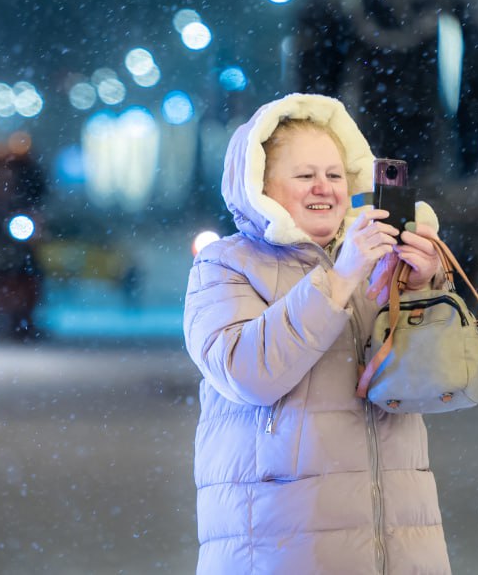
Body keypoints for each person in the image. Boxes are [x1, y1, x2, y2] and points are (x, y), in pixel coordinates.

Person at [183, 92, 452, 574]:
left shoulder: (376, 256)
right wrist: (339, 278)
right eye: (305, 176)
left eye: (334, 175)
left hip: (401, 538)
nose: (324, 188)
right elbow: (250, 373)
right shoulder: (224, 265)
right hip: (281, 542)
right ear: (258, 186)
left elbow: (435, 384)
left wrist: (421, 286)